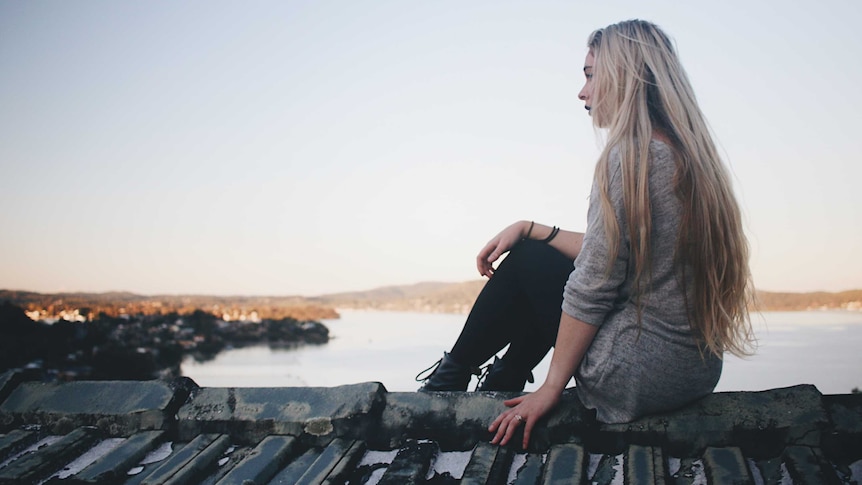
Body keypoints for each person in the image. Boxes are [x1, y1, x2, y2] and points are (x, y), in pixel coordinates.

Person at [414, 19, 755, 449]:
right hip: (694, 370)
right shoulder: (689, 155)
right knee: (538, 250)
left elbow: (591, 285)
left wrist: (551, 390)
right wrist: (533, 228)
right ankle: (501, 378)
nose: (582, 91)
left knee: (530, 264)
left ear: (623, 76)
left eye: (590, 74)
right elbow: (611, 252)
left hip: (636, 372)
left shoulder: (628, 159)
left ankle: (452, 381)